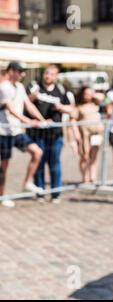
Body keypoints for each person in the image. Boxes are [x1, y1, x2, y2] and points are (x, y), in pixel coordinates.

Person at [26, 64, 74, 203]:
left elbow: (72, 109)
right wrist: (32, 98)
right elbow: (24, 104)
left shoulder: (61, 90)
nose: (48, 76)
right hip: (37, 132)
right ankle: (39, 192)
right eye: (47, 73)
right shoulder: (34, 86)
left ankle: (55, 193)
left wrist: (61, 107)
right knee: (38, 162)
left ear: (56, 76)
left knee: (55, 163)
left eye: (52, 74)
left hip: (55, 133)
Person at [0, 62, 46, 208]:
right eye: (20, 71)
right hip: (4, 132)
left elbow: (29, 105)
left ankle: (27, 183)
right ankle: (2, 196)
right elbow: (10, 109)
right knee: (4, 166)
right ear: (11, 71)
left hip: (16, 131)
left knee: (37, 152)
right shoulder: (4, 87)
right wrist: (29, 121)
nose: (23, 74)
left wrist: (41, 120)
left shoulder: (19, 87)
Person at [73, 86, 104, 183]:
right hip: (84, 134)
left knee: (94, 155)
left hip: (96, 133)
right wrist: (76, 134)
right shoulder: (78, 106)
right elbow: (73, 120)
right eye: (86, 94)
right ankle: (85, 176)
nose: (88, 96)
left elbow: (102, 97)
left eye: (90, 93)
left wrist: (92, 94)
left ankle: (93, 177)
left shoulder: (95, 103)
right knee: (85, 156)